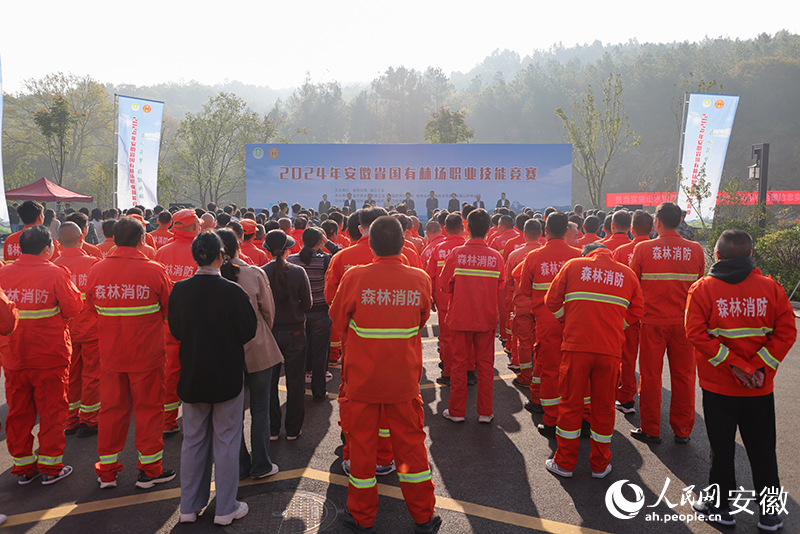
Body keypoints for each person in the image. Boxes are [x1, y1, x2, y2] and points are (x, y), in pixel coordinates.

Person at [329, 216, 440, 534]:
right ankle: (423, 517)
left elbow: (338, 319)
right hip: (403, 382)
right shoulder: (419, 278)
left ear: (370, 243)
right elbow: (420, 323)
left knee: (362, 452)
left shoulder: (354, 277)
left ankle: (362, 517)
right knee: (412, 451)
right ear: (404, 242)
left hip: (362, 382)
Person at [685, 230, 796, 530]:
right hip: (760, 388)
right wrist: (758, 367)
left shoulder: (702, 289)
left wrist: (735, 366)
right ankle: (770, 513)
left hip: (719, 386)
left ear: (716, 255)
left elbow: (696, 333)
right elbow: (786, 333)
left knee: (722, 449)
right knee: (762, 450)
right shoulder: (771, 288)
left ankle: (720, 508)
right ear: (750, 256)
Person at [169, 231, 257, 526]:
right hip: (226, 375)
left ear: (196, 256)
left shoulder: (179, 290)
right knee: (227, 441)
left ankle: (188, 507)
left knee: (193, 441)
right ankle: (225, 508)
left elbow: (177, 331)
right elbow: (248, 331)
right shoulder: (233, 291)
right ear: (222, 256)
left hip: (192, 375)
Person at [86, 217, 175, 489]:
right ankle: (149, 470)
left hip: (111, 356)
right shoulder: (155, 271)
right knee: (149, 410)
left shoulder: (97, 270)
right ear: (142, 238)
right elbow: (169, 311)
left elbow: (91, 309)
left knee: (111, 411)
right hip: (147, 356)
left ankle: (107, 473)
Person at [543, 242, 643, 479]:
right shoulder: (626, 274)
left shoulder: (574, 266)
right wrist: (618, 326)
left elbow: (551, 301)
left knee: (570, 404)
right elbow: (637, 311)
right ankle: (600, 464)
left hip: (576, 347)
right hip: (609, 351)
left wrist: (566, 321)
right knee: (604, 406)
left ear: (587, 255)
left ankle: (565, 463)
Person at [0, 226, 81, 485]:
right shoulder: (56, 273)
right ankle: (50, 466)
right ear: (48, 248)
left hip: (14, 357)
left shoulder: (3, 274)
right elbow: (73, 307)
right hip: (49, 356)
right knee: (52, 411)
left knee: (18, 412)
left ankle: (23, 467)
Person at [629, 202, 704, 444]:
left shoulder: (643, 249)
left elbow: (632, 286)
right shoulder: (695, 250)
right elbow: (699, 287)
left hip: (652, 322)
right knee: (684, 376)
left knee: (651, 376)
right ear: (680, 221)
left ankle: (650, 428)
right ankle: (683, 429)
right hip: (685, 324)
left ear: (656, 223)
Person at [215, 229, 282, 481]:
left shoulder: (208, 279)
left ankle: (241, 465)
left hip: (224, 352)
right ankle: (261, 464)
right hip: (257, 347)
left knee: (232, 414)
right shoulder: (254, 273)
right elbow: (269, 313)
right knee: (260, 409)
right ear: (238, 245)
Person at [439, 209, 504, 423]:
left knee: (458, 364)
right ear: (488, 229)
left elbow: (443, 285)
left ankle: (457, 411)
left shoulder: (457, 254)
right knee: (485, 365)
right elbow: (500, 289)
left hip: (460, 317)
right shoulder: (496, 258)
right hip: (485, 318)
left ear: (467, 227)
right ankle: (486, 412)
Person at [519, 212, 582, 422]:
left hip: (545, 321)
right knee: (574, 368)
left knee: (549, 368)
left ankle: (552, 417)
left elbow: (525, 289)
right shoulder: (579, 255)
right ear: (566, 231)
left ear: (545, 231)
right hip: (573, 321)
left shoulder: (534, 257)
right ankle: (572, 412)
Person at [53, 222, 102, 437]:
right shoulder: (94, 264)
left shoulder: (53, 267)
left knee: (71, 377)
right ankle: (89, 420)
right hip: (92, 330)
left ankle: (70, 420)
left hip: (66, 332)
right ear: (82, 237)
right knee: (92, 374)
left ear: (59, 242)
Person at [155, 209, 201, 433]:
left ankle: (167, 421)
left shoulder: (161, 253)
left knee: (170, 371)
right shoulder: (201, 252)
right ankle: (191, 424)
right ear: (194, 227)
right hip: (196, 323)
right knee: (195, 371)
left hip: (168, 322)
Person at [263, 230, 312, 440]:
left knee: (270, 383)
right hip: (295, 331)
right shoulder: (298, 272)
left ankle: (273, 428)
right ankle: (293, 429)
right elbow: (308, 304)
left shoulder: (261, 272)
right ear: (287, 249)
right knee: (295, 381)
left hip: (270, 332)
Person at [612, 210, 653, 413]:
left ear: (632, 229)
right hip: (653, 314)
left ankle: (626, 397)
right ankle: (650, 408)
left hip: (627, 311)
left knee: (627, 355)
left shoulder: (621, 251)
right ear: (652, 229)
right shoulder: (656, 251)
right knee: (650, 363)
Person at [288, 228, 333, 401]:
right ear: (319, 241)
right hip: (321, 312)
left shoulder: (292, 260)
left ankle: (298, 390)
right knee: (319, 354)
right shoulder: (324, 260)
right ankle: (319, 392)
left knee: (299, 354)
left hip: (299, 314)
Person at [426, 214, 467, 386]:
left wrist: (432, 298)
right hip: (468, 300)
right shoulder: (469, 248)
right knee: (468, 336)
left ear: (445, 229)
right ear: (463, 228)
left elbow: (431, 277)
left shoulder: (438, 249)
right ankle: (469, 370)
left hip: (445, 301)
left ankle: (449, 371)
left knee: (447, 337)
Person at [506, 219, 542, 388]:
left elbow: (508, 283)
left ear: (524, 234)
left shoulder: (514, 255)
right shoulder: (545, 254)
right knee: (542, 341)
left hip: (522, 305)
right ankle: (540, 375)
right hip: (544, 307)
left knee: (524, 341)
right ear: (541, 234)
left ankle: (526, 376)